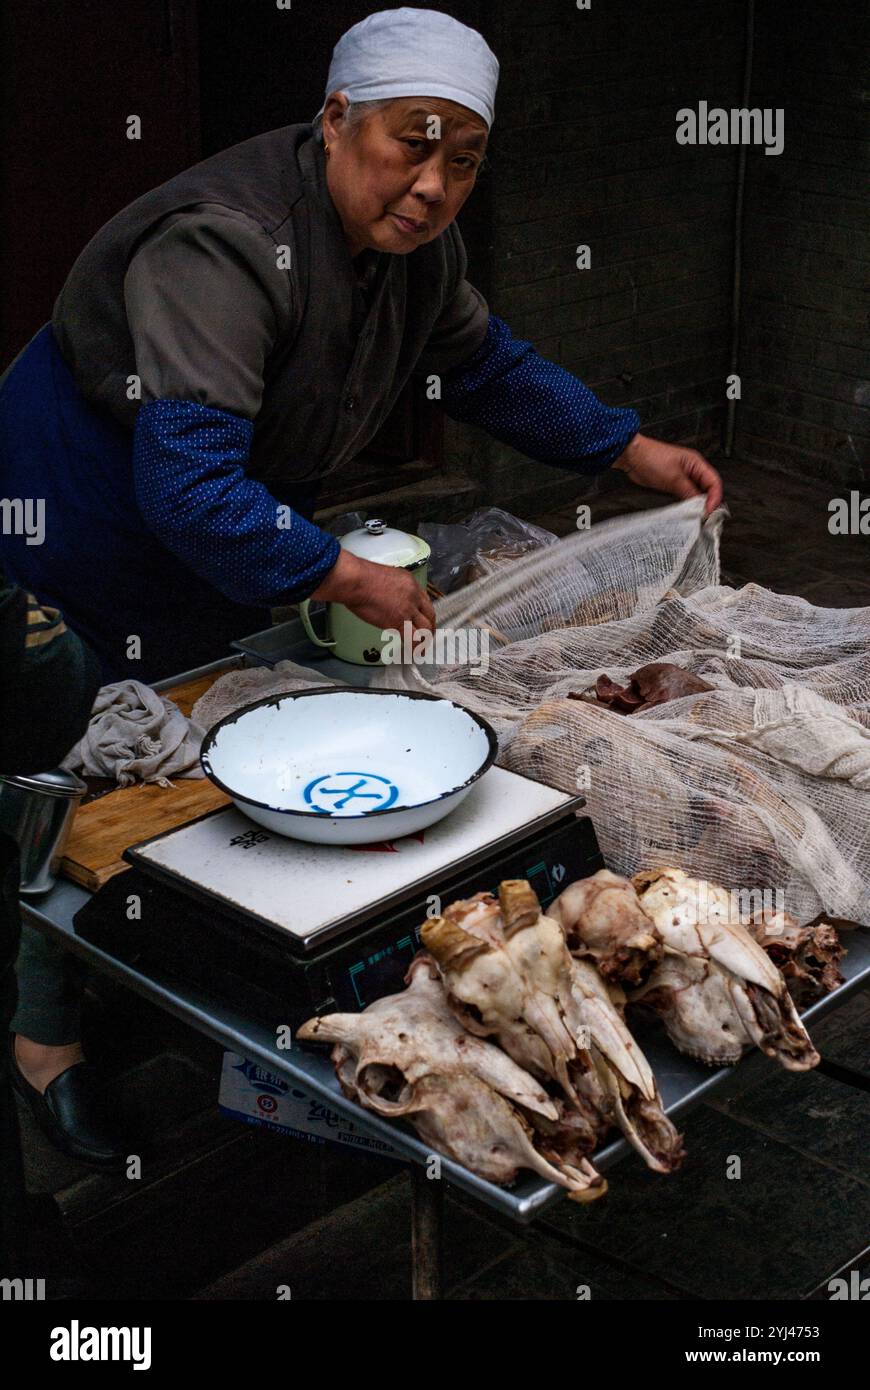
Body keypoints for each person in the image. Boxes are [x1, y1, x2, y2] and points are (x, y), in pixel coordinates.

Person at [0, 6, 723, 1157]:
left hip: (213, 537)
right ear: (338, 120)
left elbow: (487, 365)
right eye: (412, 142)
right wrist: (336, 569)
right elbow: (186, 487)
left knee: (202, 766)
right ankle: (45, 1041)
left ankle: (169, 985)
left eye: (466, 161)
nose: (435, 185)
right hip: (74, 534)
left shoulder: (412, 250)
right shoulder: (224, 243)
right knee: (73, 770)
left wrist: (622, 449)